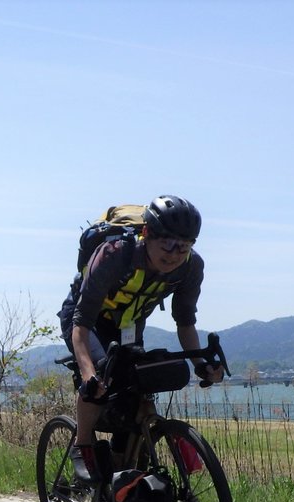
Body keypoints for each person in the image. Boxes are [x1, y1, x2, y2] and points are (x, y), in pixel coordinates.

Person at [58, 195, 223, 483]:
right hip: (86, 321)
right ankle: (82, 444)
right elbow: (81, 324)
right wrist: (88, 375)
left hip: (129, 325)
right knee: (100, 378)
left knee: (136, 387)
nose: (174, 254)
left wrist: (200, 362)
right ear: (147, 234)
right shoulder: (114, 255)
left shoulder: (191, 267)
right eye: (168, 244)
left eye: (183, 246)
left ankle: (120, 474)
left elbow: (185, 322)